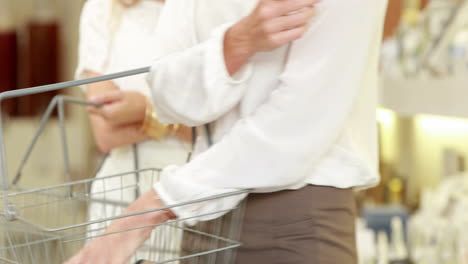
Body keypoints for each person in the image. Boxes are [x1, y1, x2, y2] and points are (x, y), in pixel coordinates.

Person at [67, 0, 389, 263]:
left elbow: (296, 129)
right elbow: (167, 93)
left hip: (292, 220)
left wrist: (147, 210)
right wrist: (236, 43)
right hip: (199, 221)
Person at [75, 0, 190, 260]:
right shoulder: (102, 9)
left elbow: (217, 130)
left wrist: (143, 111)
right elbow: (105, 133)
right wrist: (174, 118)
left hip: (189, 195)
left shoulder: (201, 9)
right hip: (119, 195)